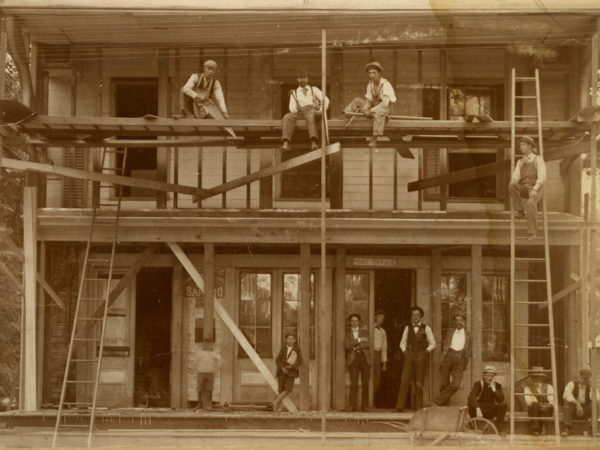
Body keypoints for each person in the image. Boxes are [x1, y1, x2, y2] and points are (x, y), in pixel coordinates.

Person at [343, 61, 397, 148]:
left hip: (385, 109)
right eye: (369, 73)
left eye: (374, 73)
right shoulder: (370, 85)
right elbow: (369, 100)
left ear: (379, 74)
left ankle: (374, 138)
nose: (371, 75)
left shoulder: (385, 84)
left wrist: (370, 110)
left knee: (379, 112)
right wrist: (365, 109)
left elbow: (385, 103)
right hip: (374, 108)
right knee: (357, 100)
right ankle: (346, 115)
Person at [395, 306, 435, 412]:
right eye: (413, 315)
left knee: (419, 381)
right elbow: (402, 342)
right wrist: (405, 352)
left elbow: (433, 343)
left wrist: (425, 352)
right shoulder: (407, 328)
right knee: (404, 380)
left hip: (421, 356)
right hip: (410, 355)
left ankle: (418, 407)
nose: (415, 317)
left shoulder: (427, 328)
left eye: (417, 315)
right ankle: (400, 406)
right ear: (411, 317)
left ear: (421, 316)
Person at [508, 136, 546, 240]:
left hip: (536, 188)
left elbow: (542, 177)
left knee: (530, 203)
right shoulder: (520, 161)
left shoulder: (538, 159)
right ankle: (520, 211)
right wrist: (514, 180)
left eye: (523, 145)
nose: (521, 147)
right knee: (511, 185)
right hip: (524, 188)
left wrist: (534, 189)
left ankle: (532, 233)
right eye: (520, 145)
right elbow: (516, 175)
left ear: (530, 146)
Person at [281, 72, 329, 152]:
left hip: (311, 111)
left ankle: (314, 142)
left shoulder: (314, 89)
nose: (302, 80)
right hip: (299, 113)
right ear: (297, 79)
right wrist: (297, 109)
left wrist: (320, 110)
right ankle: (286, 142)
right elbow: (291, 109)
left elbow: (326, 100)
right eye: (300, 78)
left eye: (304, 77)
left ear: (308, 78)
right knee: (287, 116)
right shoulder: (294, 92)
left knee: (311, 116)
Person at [434, 312, 471, 406]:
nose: (459, 322)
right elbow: (445, 345)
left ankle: (438, 400)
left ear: (464, 322)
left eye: (461, 320)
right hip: (448, 357)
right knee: (444, 384)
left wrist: (464, 360)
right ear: (454, 322)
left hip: (459, 359)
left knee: (456, 384)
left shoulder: (468, 335)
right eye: (457, 320)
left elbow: (469, 349)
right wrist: (443, 359)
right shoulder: (450, 332)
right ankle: (443, 408)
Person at [467, 365, 507, 434]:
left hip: (490, 411)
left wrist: (494, 389)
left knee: (503, 405)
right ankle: (473, 428)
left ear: (494, 377)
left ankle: (498, 429)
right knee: (470, 405)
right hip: (479, 410)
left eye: (492, 376)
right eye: (488, 376)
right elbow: (471, 397)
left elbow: (501, 399)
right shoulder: (478, 384)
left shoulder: (497, 385)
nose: (490, 378)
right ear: (484, 376)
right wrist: (477, 408)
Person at [561, 368, 600, 437]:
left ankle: (593, 429)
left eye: (587, 378)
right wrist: (577, 404)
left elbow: (597, 398)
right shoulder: (571, 384)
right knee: (566, 403)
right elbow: (566, 395)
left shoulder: (590, 386)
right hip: (574, 410)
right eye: (583, 378)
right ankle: (567, 428)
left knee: (595, 403)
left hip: (585, 412)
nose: (585, 380)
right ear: (579, 376)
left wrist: (592, 388)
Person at [345, 313, 371, 412]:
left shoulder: (364, 332)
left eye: (356, 320)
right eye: (352, 321)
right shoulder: (347, 333)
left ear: (359, 322)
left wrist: (355, 347)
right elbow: (347, 346)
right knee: (353, 384)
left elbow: (367, 344)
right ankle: (352, 406)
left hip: (365, 359)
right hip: (353, 360)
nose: (354, 322)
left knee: (365, 383)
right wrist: (359, 340)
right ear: (350, 322)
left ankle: (365, 406)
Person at [272, 333, 303, 412]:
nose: (290, 340)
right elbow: (277, 360)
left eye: (292, 339)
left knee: (288, 389)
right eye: (288, 338)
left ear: (295, 340)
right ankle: (277, 409)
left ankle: (275, 402)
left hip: (291, 372)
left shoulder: (297, 349)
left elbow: (299, 361)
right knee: (280, 390)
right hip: (282, 371)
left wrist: (291, 367)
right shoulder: (283, 348)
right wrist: (282, 368)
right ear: (286, 340)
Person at [524, 366, 554, 436]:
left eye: (539, 377)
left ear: (542, 378)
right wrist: (538, 404)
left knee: (548, 408)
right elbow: (529, 400)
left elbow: (551, 399)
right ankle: (535, 429)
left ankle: (543, 425)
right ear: (532, 378)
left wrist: (547, 405)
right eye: (534, 377)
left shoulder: (549, 386)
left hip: (545, 408)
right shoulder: (528, 388)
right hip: (534, 408)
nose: (537, 379)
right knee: (534, 406)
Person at [193, 342, 222, 411]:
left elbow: (221, 359)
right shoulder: (200, 354)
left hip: (210, 373)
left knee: (209, 389)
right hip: (201, 372)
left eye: (209, 345)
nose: (207, 346)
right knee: (199, 389)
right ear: (203, 346)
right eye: (206, 345)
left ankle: (209, 405)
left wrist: (217, 367)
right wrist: (195, 370)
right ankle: (199, 404)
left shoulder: (213, 354)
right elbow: (195, 362)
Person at [373, 310, 388, 396]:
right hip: (368, 353)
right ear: (375, 317)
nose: (381, 320)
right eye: (379, 317)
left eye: (383, 319)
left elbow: (384, 347)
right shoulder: (370, 328)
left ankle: (371, 398)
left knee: (377, 378)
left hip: (377, 355)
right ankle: (367, 402)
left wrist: (384, 363)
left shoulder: (383, 331)